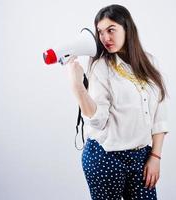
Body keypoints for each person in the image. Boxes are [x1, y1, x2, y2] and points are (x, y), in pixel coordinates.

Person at [66, 4, 169, 200]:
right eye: (100, 32)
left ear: (127, 29)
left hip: (141, 157)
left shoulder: (150, 62)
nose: (105, 38)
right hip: (105, 158)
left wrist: (155, 157)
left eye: (111, 30)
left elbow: (160, 114)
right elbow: (98, 121)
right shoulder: (100, 68)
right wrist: (77, 87)